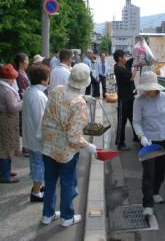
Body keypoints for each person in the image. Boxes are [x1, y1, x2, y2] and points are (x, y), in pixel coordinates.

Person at [40, 63, 97, 227]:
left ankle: (47, 214)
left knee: (49, 181)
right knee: (67, 183)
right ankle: (66, 217)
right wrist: (89, 146)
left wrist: (83, 99)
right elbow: (74, 137)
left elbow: (61, 104)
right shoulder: (79, 104)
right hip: (65, 151)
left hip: (48, 144)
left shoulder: (56, 90)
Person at [133, 71, 165, 217]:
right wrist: (141, 136)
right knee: (149, 172)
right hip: (149, 141)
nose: (146, 92)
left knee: (161, 170)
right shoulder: (139, 101)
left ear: (155, 87)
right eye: (145, 89)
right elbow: (136, 122)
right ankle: (147, 204)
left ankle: (155, 192)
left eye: (149, 89)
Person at [0, 64, 23, 183]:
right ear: (9, 78)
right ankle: (5, 175)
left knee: (1, 146)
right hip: (6, 123)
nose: (14, 80)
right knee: (5, 148)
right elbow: (13, 107)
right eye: (13, 78)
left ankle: (5, 171)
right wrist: (23, 102)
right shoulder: (6, 91)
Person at [22, 64, 50, 202]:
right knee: (39, 164)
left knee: (35, 163)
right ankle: (36, 192)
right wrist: (44, 138)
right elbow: (41, 120)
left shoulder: (29, 90)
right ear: (43, 80)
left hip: (31, 135)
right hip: (37, 137)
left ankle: (37, 187)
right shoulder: (38, 96)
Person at [113, 49, 139, 150]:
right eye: (124, 56)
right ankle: (120, 143)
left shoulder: (125, 65)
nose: (126, 58)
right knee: (122, 122)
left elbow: (133, 60)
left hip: (130, 97)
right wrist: (136, 67)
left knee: (134, 118)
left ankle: (137, 137)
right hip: (123, 100)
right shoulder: (119, 69)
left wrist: (139, 54)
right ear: (120, 58)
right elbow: (132, 77)